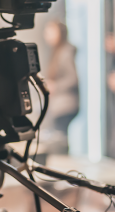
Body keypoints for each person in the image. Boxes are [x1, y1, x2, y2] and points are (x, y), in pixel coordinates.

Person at [42, 20, 79, 154]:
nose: (47, 35)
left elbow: (72, 79)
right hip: (60, 105)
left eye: (50, 31)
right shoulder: (57, 52)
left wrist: (55, 86)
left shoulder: (65, 53)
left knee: (60, 141)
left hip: (65, 105)